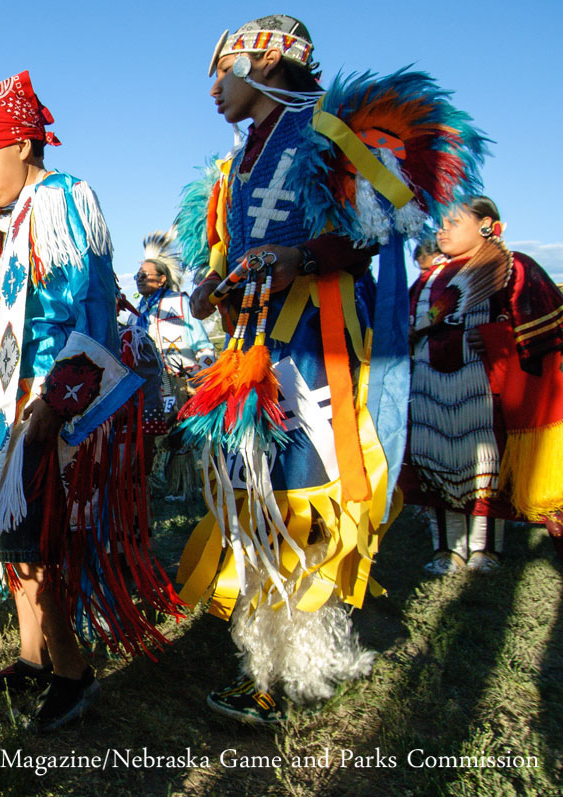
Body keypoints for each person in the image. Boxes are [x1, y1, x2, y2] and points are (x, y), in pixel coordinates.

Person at [176, 14, 487, 723]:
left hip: (317, 347)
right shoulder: (234, 166)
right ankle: (263, 664)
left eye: (221, 71)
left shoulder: (330, 131)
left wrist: (302, 259)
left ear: (265, 62)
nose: (214, 89)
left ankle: (302, 664)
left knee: (304, 494)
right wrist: (211, 284)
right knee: (252, 497)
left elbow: (367, 236)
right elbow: (228, 254)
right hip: (250, 355)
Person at [0, 70, 182, 733]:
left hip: (52, 404)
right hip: (22, 403)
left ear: (23, 145)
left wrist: (57, 400)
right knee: (13, 537)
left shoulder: (61, 197)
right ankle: (33, 655)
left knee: (39, 541)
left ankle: (71, 671)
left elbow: (81, 307)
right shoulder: (24, 213)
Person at [406, 196, 563, 572]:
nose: (442, 229)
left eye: (453, 222)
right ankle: (447, 549)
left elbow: (551, 323)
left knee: (484, 466)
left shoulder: (512, 269)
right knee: (436, 459)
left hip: (482, 389)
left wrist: (499, 336)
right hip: (429, 386)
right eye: (440, 223)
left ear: (486, 225)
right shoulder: (428, 279)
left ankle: (484, 549)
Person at [134, 229, 215, 499]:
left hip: (181, 379)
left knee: (180, 429)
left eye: (145, 275)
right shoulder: (139, 313)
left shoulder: (179, 302)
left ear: (162, 279)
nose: (139, 279)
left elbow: (202, 342)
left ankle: (184, 485)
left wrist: (203, 374)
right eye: (137, 275)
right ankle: (161, 481)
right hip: (152, 383)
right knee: (156, 430)